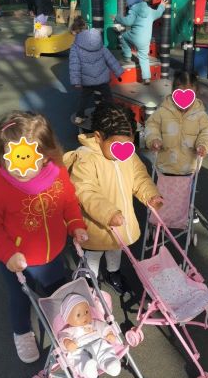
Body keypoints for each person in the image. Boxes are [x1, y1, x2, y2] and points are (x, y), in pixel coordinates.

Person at [0, 111, 88, 364]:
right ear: (2, 155)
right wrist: (8, 254)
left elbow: (68, 202)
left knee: (58, 293)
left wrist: (75, 225)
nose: (21, 169)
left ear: (45, 155)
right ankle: (22, 332)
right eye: (14, 160)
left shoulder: (58, 174)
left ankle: (67, 329)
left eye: (29, 160)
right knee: (20, 299)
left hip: (53, 254)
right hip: (18, 261)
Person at [64, 102, 163, 294]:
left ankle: (113, 273)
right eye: (117, 145)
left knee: (116, 248)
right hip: (97, 223)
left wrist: (150, 195)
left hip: (120, 220)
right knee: (94, 254)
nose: (123, 151)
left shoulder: (128, 155)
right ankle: (89, 280)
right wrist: (108, 213)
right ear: (98, 137)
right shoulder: (87, 158)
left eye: (129, 144)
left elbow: (139, 177)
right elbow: (85, 191)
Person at [145, 71, 208, 176]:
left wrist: (203, 145)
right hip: (164, 166)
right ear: (173, 92)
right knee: (160, 187)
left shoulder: (200, 115)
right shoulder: (163, 111)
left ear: (196, 94)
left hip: (188, 168)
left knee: (187, 187)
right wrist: (153, 139)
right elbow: (151, 125)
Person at [58, 294, 121, 378]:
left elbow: (103, 326)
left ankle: (110, 364)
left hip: (98, 343)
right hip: (79, 349)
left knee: (105, 350)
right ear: (67, 319)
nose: (84, 316)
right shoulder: (69, 330)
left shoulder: (94, 323)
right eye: (78, 315)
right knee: (79, 359)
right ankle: (88, 369)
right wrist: (67, 342)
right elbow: (62, 337)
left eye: (86, 312)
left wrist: (108, 332)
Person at [69, 26, 124, 125]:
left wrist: (76, 81)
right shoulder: (100, 45)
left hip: (87, 80)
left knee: (84, 98)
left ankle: (79, 116)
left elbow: (74, 65)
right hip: (102, 78)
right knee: (108, 97)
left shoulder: (75, 47)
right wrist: (118, 71)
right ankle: (113, 114)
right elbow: (110, 59)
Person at [115, 0, 167, 85]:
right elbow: (158, 13)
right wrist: (162, 5)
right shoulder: (150, 10)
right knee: (144, 57)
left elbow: (128, 22)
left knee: (123, 37)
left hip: (134, 37)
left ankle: (127, 56)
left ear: (130, 1)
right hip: (146, 40)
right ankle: (146, 78)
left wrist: (117, 18)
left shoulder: (133, 10)